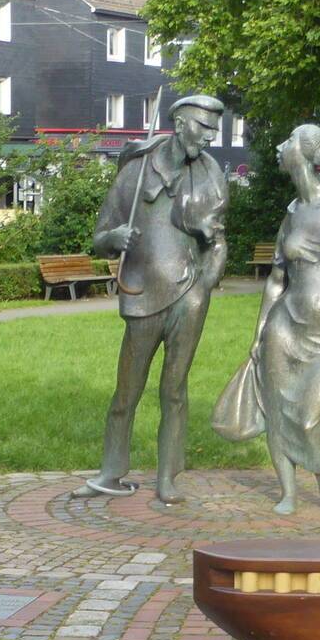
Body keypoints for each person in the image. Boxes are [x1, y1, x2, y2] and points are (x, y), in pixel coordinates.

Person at [212, 123, 320, 515]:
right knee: (278, 415)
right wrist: (259, 333)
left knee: (310, 418)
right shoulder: (291, 214)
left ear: (306, 152)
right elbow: (277, 278)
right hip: (283, 330)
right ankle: (288, 493)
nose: (280, 145)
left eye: (289, 140)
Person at [84, 92, 230, 504]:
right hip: (142, 294)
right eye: (203, 128)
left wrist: (207, 283)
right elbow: (101, 238)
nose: (208, 138)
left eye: (213, 131)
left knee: (175, 390)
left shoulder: (211, 174)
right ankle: (111, 470)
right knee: (126, 391)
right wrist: (113, 239)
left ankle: (168, 478)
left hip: (189, 297)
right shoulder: (135, 172)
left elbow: (219, 242)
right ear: (180, 123)